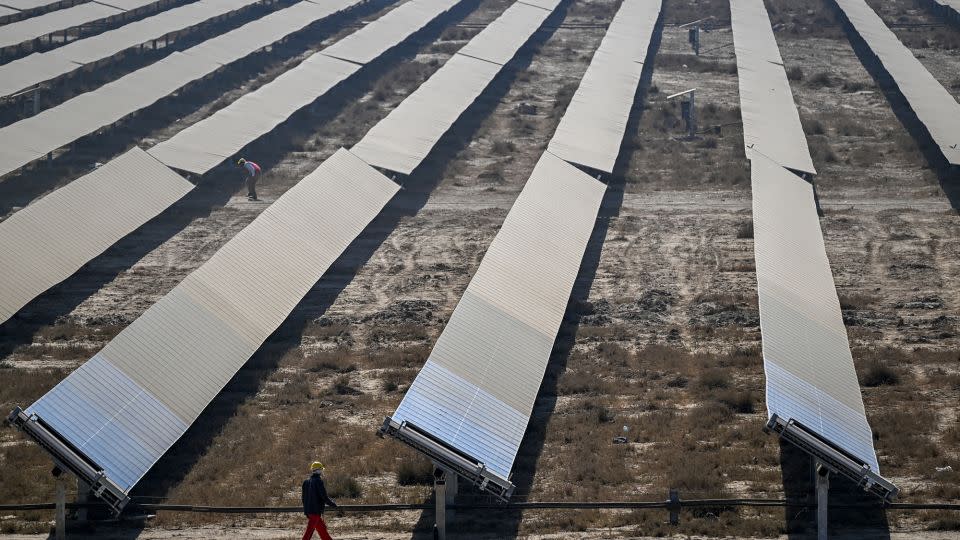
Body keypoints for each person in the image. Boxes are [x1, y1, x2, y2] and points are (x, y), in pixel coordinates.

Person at [301, 461, 337, 540]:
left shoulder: (306, 482)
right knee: (308, 533)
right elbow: (324, 497)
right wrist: (333, 504)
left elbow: (303, 499)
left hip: (310, 512)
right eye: (321, 469)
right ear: (318, 470)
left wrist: (306, 511)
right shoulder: (318, 481)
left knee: (322, 531)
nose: (322, 471)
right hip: (315, 512)